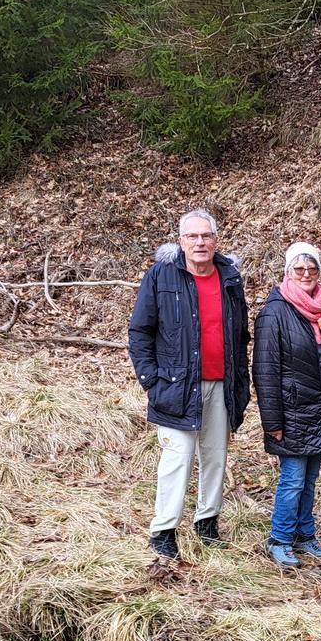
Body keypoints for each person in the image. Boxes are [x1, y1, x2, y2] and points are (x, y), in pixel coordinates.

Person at [127, 209, 251, 561]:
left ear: (216, 240)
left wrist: (240, 380)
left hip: (221, 386)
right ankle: (164, 531)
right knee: (177, 460)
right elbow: (140, 331)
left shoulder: (229, 277)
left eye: (206, 236)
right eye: (192, 236)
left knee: (215, 457)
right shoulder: (161, 276)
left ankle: (207, 523)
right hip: (176, 387)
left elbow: (240, 335)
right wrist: (151, 379)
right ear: (180, 241)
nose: (200, 242)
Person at [252, 243, 321, 568]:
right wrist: (272, 422)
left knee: (309, 480)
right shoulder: (274, 312)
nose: (306, 275)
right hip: (292, 413)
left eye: (312, 269)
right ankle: (280, 538)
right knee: (293, 479)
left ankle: (305, 535)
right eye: (299, 270)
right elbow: (265, 371)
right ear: (287, 272)